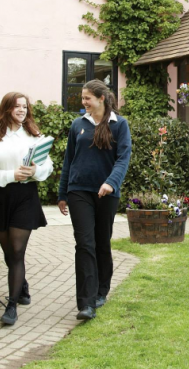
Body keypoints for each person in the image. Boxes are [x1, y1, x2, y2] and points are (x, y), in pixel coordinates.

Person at [58, 79, 132, 321]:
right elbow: (69, 160)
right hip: (79, 190)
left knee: (101, 243)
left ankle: (101, 290)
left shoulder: (119, 125)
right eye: (83, 98)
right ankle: (86, 303)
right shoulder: (77, 124)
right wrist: (62, 193)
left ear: (101, 98)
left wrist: (111, 182)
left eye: (87, 98)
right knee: (84, 244)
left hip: (107, 194)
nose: (83, 102)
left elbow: (123, 158)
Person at [0, 92, 53, 326]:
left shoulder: (34, 136)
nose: (22, 110)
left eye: (25, 106)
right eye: (17, 106)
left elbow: (48, 165)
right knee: (9, 251)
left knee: (18, 251)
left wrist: (35, 171)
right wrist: (11, 175)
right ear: (7, 109)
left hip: (25, 196)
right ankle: (22, 285)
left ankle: (11, 306)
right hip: (0, 197)